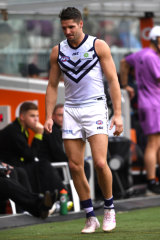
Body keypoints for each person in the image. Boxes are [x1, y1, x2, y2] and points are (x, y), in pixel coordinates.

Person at [44, 7, 123, 234]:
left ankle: (109, 208)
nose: (67, 31)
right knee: (75, 166)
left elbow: (113, 80)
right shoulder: (57, 51)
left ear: (80, 24)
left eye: (71, 27)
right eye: (64, 28)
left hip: (96, 106)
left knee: (99, 163)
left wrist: (117, 114)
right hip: (71, 109)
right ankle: (90, 216)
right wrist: (48, 116)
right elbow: (51, 86)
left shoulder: (98, 46)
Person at [120, 26, 160, 195]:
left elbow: (123, 63)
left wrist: (125, 85)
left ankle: (153, 180)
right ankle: (151, 182)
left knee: (156, 144)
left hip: (147, 103)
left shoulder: (141, 54)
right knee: (153, 144)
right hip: (154, 104)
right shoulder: (152, 57)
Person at [0, 101, 59, 197]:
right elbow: (30, 156)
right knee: (42, 165)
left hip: (18, 166)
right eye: (32, 116)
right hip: (9, 168)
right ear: (22, 117)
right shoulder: (14, 131)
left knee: (43, 165)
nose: (36, 120)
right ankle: (58, 197)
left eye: (37, 116)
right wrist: (39, 134)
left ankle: (54, 197)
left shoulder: (22, 129)